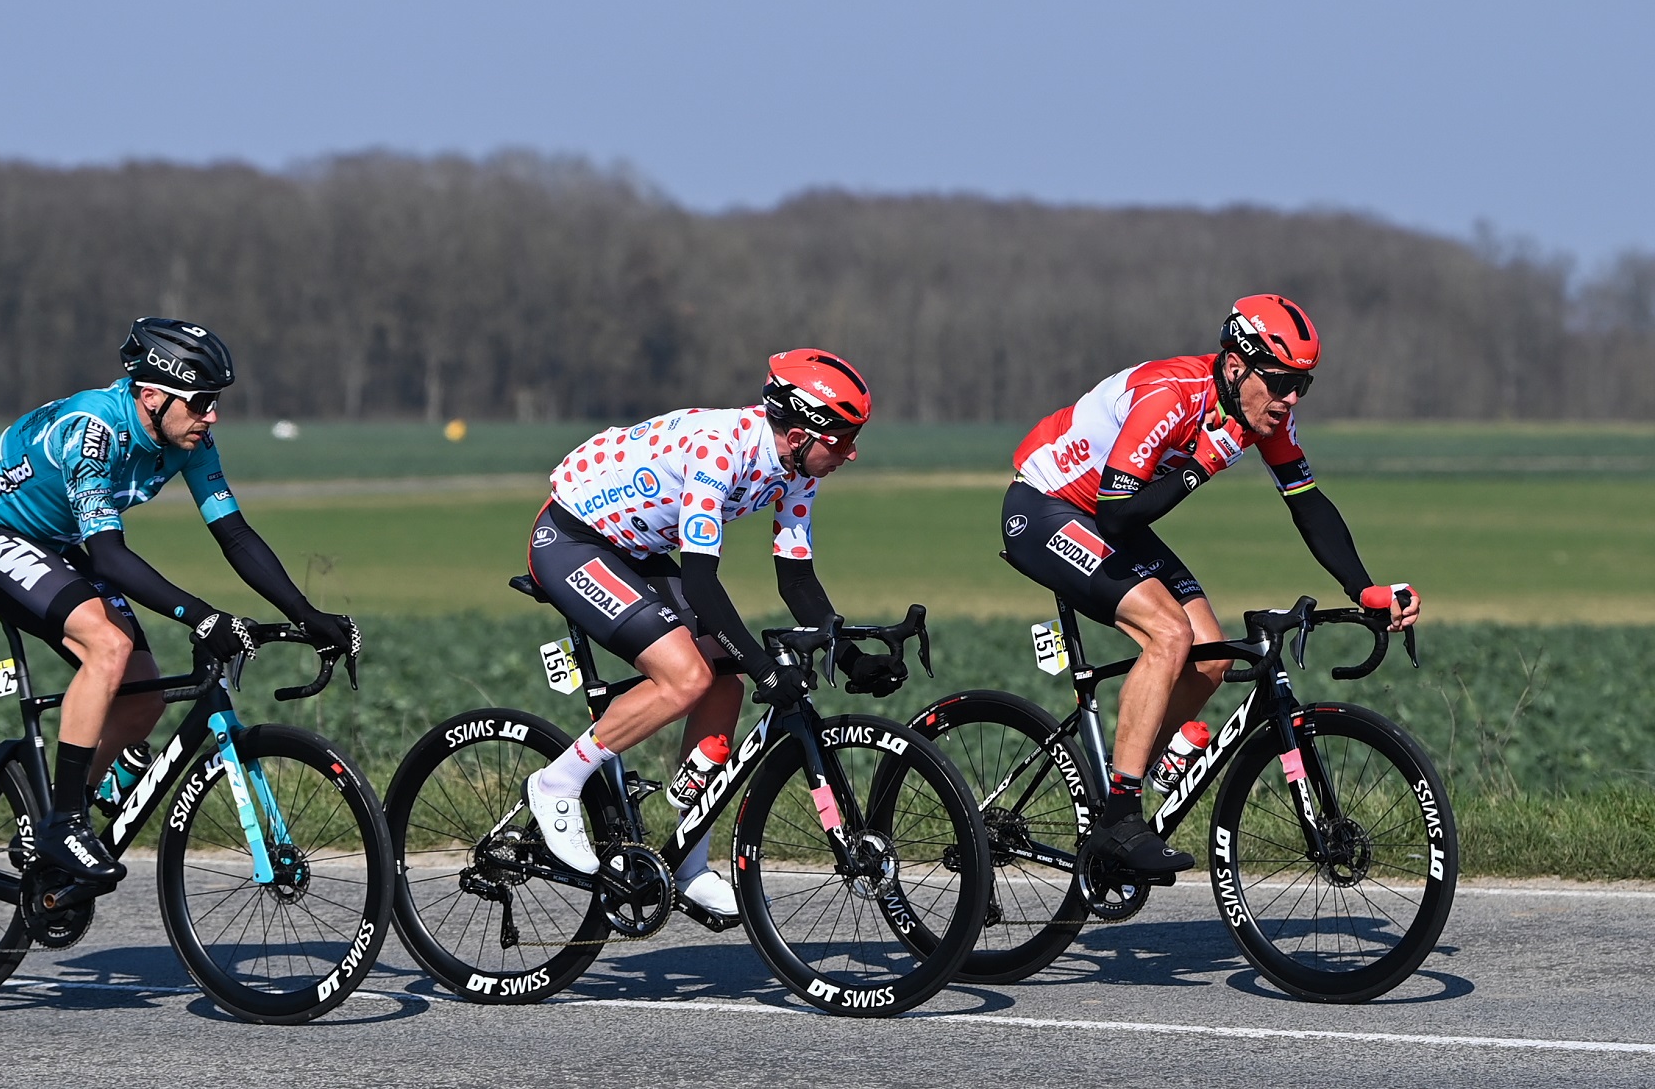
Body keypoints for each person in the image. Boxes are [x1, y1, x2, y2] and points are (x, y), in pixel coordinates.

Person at [1004, 295, 1421, 875]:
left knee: (1211, 657)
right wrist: (1201, 464)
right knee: (1170, 636)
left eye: (1303, 384)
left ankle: (1112, 798)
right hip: (1047, 510)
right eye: (1279, 382)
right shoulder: (1170, 396)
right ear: (1235, 366)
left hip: (1108, 516)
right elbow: (1120, 514)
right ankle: (1123, 820)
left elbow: (1306, 503)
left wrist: (1363, 588)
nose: (1291, 398)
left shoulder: (1260, 412)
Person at [0, 318, 357, 885]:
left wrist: (307, 615)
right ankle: (63, 824)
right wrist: (203, 614)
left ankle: (54, 818)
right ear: (153, 394)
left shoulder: (188, 438)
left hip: (58, 543)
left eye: (216, 402)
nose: (212, 415)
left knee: (142, 699)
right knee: (107, 647)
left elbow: (233, 532)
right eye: (202, 401)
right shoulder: (92, 432)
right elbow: (111, 558)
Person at [519, 349, 904, 917]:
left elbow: (796, 579)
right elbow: (701, 582)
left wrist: (846, 657)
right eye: (842, 440)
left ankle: (688, 861)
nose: (851, 452)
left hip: (638, 553)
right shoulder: (719, 449)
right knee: (686, 677)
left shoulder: (796, 470)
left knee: (724, 684)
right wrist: (764, 664)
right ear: (799, 433)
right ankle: (557, 782)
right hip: (573, 541)